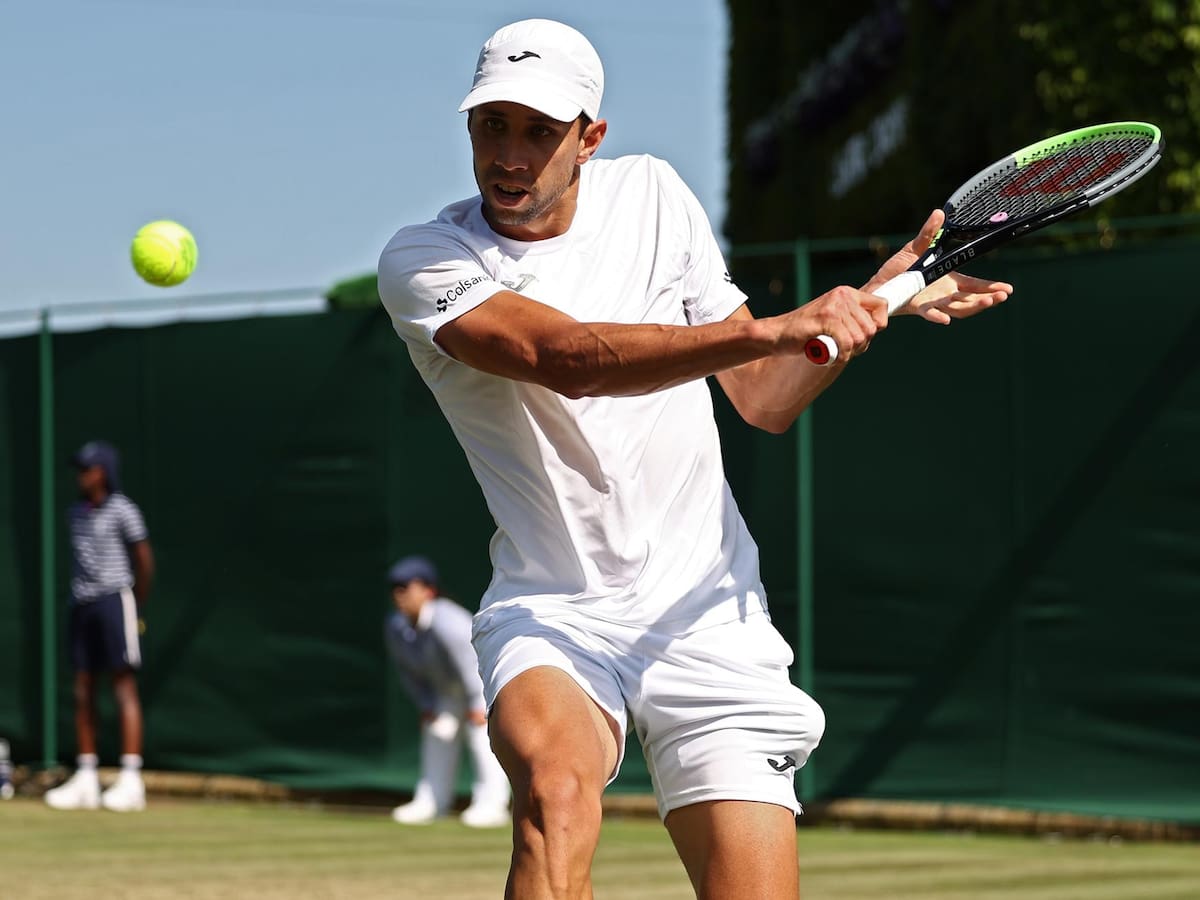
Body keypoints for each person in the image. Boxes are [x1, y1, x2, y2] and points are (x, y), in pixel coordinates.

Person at [376, 18, 1012, 899]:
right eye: (493, 126)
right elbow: (566, 360)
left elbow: (762, 396)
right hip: (556, 612)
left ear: (589, 139)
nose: (510, 156)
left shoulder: (654, 196)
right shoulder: (424, 260)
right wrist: (771, 326)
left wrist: (867, 307)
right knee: (554, 798)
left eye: (539, 131)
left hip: (707, 616)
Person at [45, 440, 154, 813]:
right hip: (82, 605)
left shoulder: (124, 511)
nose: (81, 476)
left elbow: (143, 560)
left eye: (87, 468)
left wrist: (134, 602)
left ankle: (130, 777)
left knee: (123, 685)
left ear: (103, 472)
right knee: (83, 688)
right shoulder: (74, 513)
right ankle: (87, 775)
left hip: (114, 600)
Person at [384, 554, 511, 828]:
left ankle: (492, 805)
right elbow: (409, 673)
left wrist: (480, 704)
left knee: (482, 737)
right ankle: (432, 802)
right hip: (445, 694)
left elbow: (473, 663)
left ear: (428, 591)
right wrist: (427, 704)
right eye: (395, 589)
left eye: (406, 587)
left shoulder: (448, 620)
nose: (399, 595)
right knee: (437, 732)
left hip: (480, 686)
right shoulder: (395, 626)